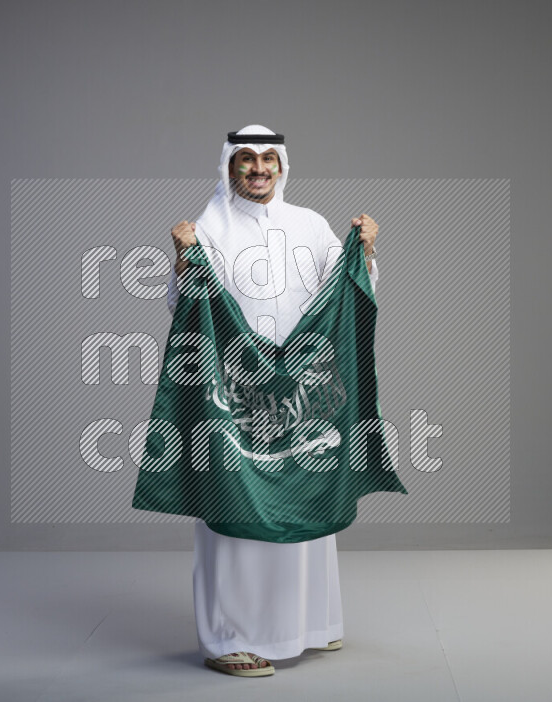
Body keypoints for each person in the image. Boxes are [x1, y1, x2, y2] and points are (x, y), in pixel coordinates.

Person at [166, 125, 379, 677]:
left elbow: (347, 288)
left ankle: (311, 625)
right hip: (236, 389)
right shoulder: (206, 230)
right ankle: (228, 639)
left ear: (282, 165)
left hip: (302, 389)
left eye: (268, 158)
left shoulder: (310, 225)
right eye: (245, 160)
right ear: (228, 167)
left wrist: (367, 252)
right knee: (235, 508)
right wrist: (183, 262)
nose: (258, 169)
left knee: (305, 500)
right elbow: (183, 308)